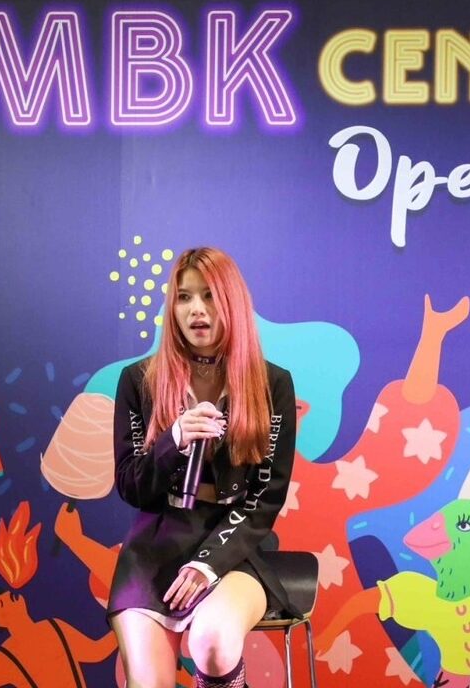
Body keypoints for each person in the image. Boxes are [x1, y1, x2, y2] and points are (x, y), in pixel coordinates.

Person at [108, 247, 299, 688]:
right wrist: (173, 441)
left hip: (235, 547)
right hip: (154, 547)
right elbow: (132, 487)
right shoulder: (138, 380)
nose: (197, 309)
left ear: (232, 301)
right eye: (184, 297)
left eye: (210, 295)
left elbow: (264, 499)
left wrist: (208, 564)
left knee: (212, 640)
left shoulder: (272, 384)